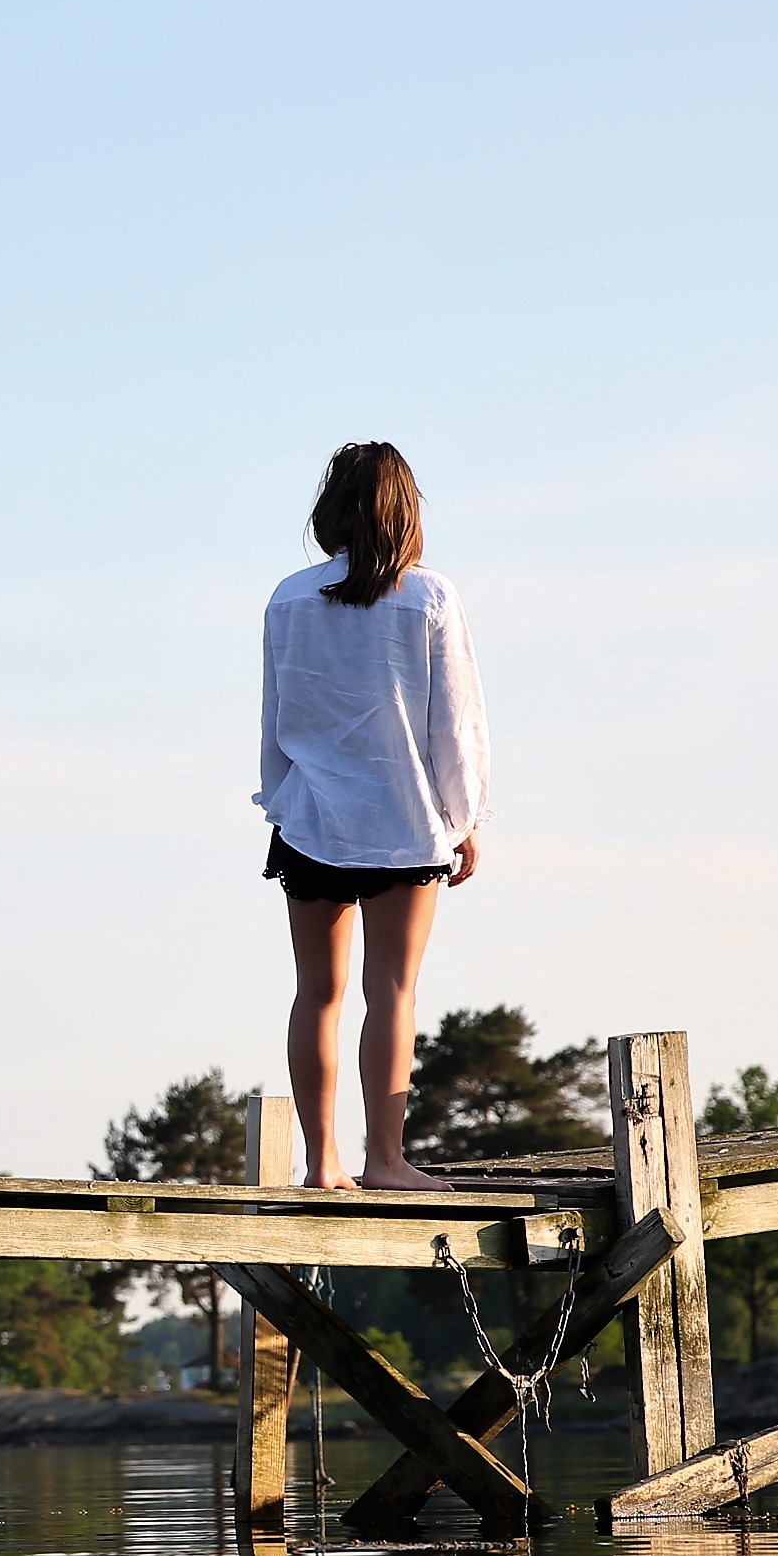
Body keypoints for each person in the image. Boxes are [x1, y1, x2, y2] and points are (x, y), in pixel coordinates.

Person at [257, 442, 490, 1191]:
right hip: (403, 817)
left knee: (315, 994)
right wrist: (465, 817)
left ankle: (322, 1164)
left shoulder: (289, 597)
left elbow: (276, 717)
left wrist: (280, 796)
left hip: (311, 817)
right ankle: (384, 1161)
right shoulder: (429, 598)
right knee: (391, 989)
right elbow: (454, 724)